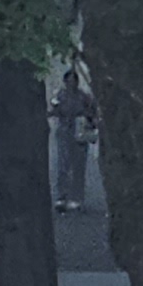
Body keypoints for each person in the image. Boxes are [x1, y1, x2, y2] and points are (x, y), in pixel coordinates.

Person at [49, 65, 95, 212]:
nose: (71, 84)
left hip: (79, 131)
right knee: (63, 165)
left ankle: (77, 198)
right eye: (68, 81)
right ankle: (62, 196)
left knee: (79, 166)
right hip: (64, 131)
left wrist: (87, 117)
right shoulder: (59, 96)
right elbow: (53, 111)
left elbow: (92, 113)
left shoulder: (84, 96)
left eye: (73, 81)